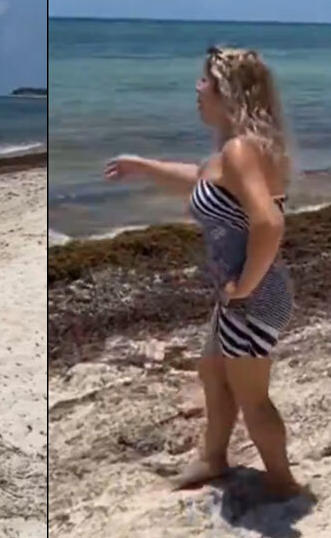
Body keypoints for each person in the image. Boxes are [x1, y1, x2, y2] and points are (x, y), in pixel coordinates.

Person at [103, 47, 302, 500]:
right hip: (241, 293)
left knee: (253, 398)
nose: (197, 89)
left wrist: (244, 287)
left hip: (251, 297)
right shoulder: (236, 151)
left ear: (226, 92)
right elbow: (198, 178)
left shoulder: (239, 151)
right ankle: (213, 458)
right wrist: (144, 166)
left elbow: (270, 223)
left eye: (204, 81)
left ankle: (283, 484)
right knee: (213, 374)